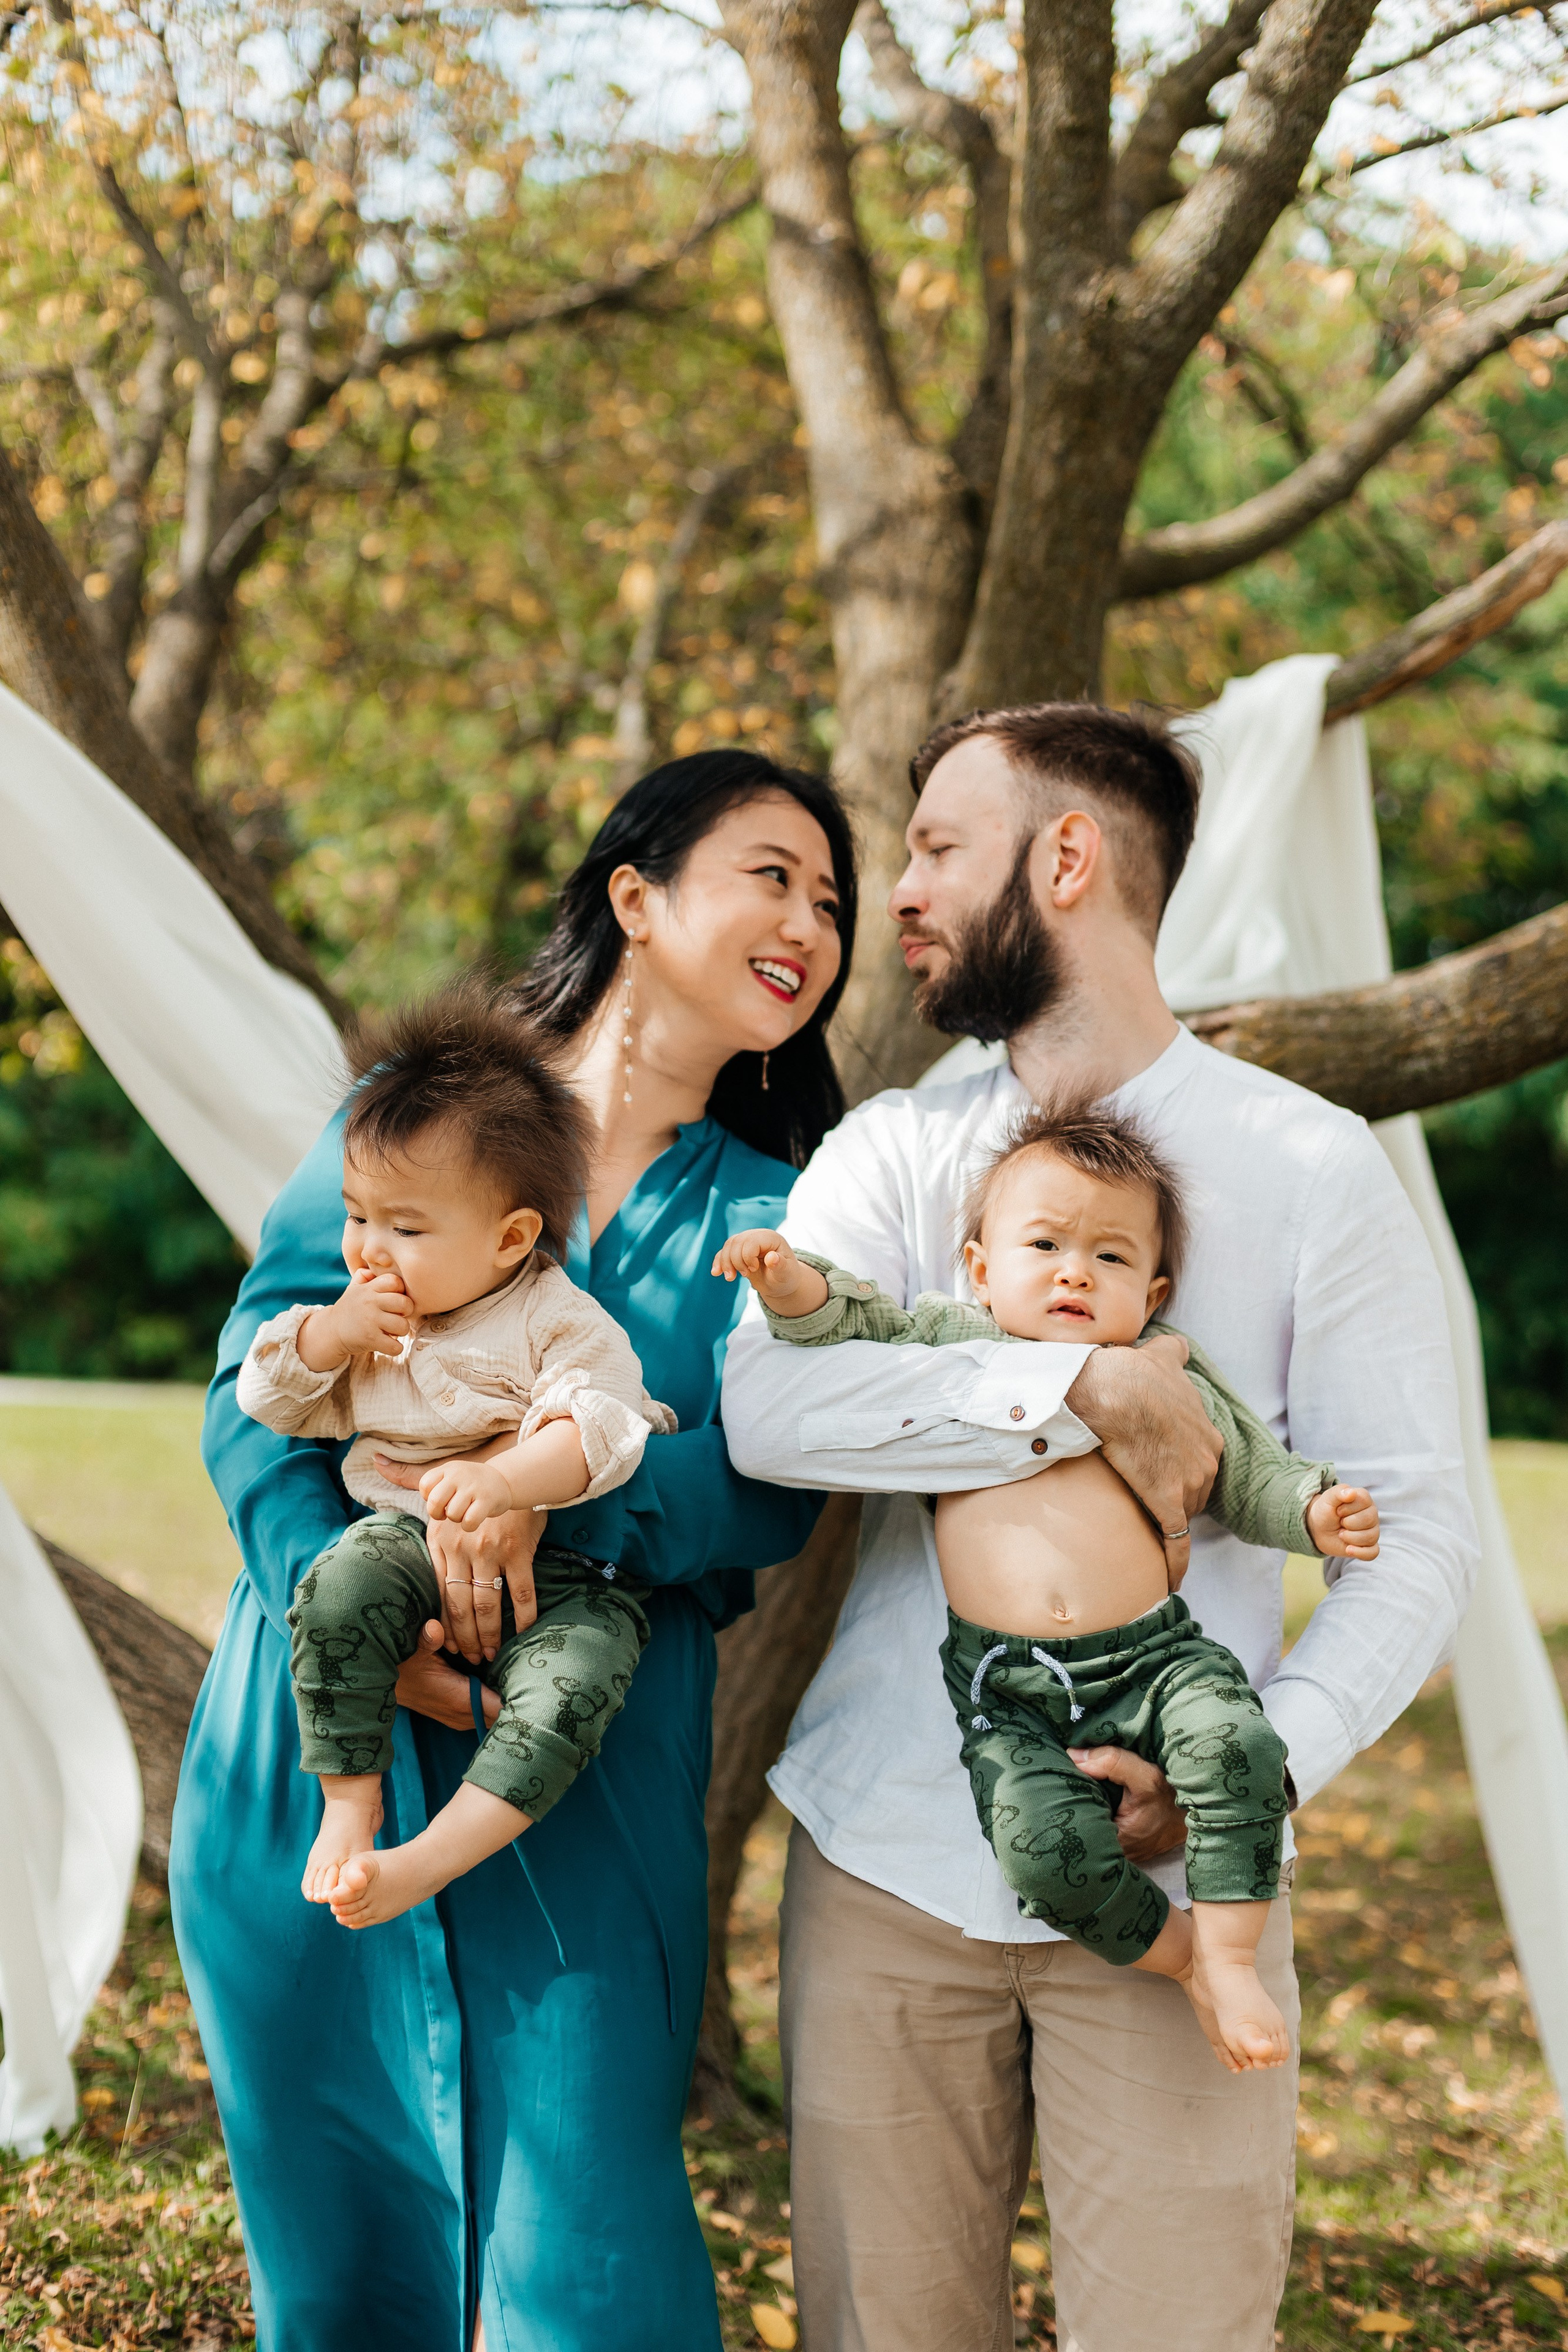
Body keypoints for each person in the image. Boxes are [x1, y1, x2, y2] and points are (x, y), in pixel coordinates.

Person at [720, 703, 1478, 2352]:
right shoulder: (904, 1148)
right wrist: (1079, 1386)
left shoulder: (1313, 1168)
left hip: (1188, 1885)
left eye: (933, 850)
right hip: (890, 1863)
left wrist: (1262, 1759)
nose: (895, 895)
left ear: (1065, 859)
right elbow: (769, 1410)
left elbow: (1410, 1537)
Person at [170, 748, 854, 2352]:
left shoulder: (791, 1205)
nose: (812, 924)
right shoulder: (401, 1125)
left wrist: (562, 1501)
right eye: (774, 872)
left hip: (581, 1773)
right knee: (339, 2288)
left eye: (833, 902)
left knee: (588, 2286)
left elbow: (779, 1484)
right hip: (309, 1742)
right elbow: (252, 1396)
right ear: (635, 893)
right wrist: (336, 1597)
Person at [714, 1096, 1381, 2073]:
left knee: (1236, 1746)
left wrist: (1313, 1509)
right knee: (1039, 1848)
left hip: (1157, 1661)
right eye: (1045, 1244)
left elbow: (1247, 1470)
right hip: (1004, 1688)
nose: (1076, 1270)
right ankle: (1179, 1954)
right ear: (981, 1270)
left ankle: (1233, 1955)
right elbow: (850, 1325)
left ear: (1152, 1293)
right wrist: (788, 1283)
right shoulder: (948, 1339)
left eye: (1111, 1258)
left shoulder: (1170, 1374)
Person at [238, 986, 675, 1925]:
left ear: (512, 1238)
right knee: (339, 1586)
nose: (367, 1251)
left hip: (567, 1571)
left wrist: (509, 1482)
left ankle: (432, 1858)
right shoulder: (366, 1317)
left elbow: (604, 1419)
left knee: (577, 1685)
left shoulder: (551, 1316)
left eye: (404, 1227)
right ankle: (351, 1807)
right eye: (358, 1217)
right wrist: (326, 1335)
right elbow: (265, 1398)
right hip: (400, 1536)